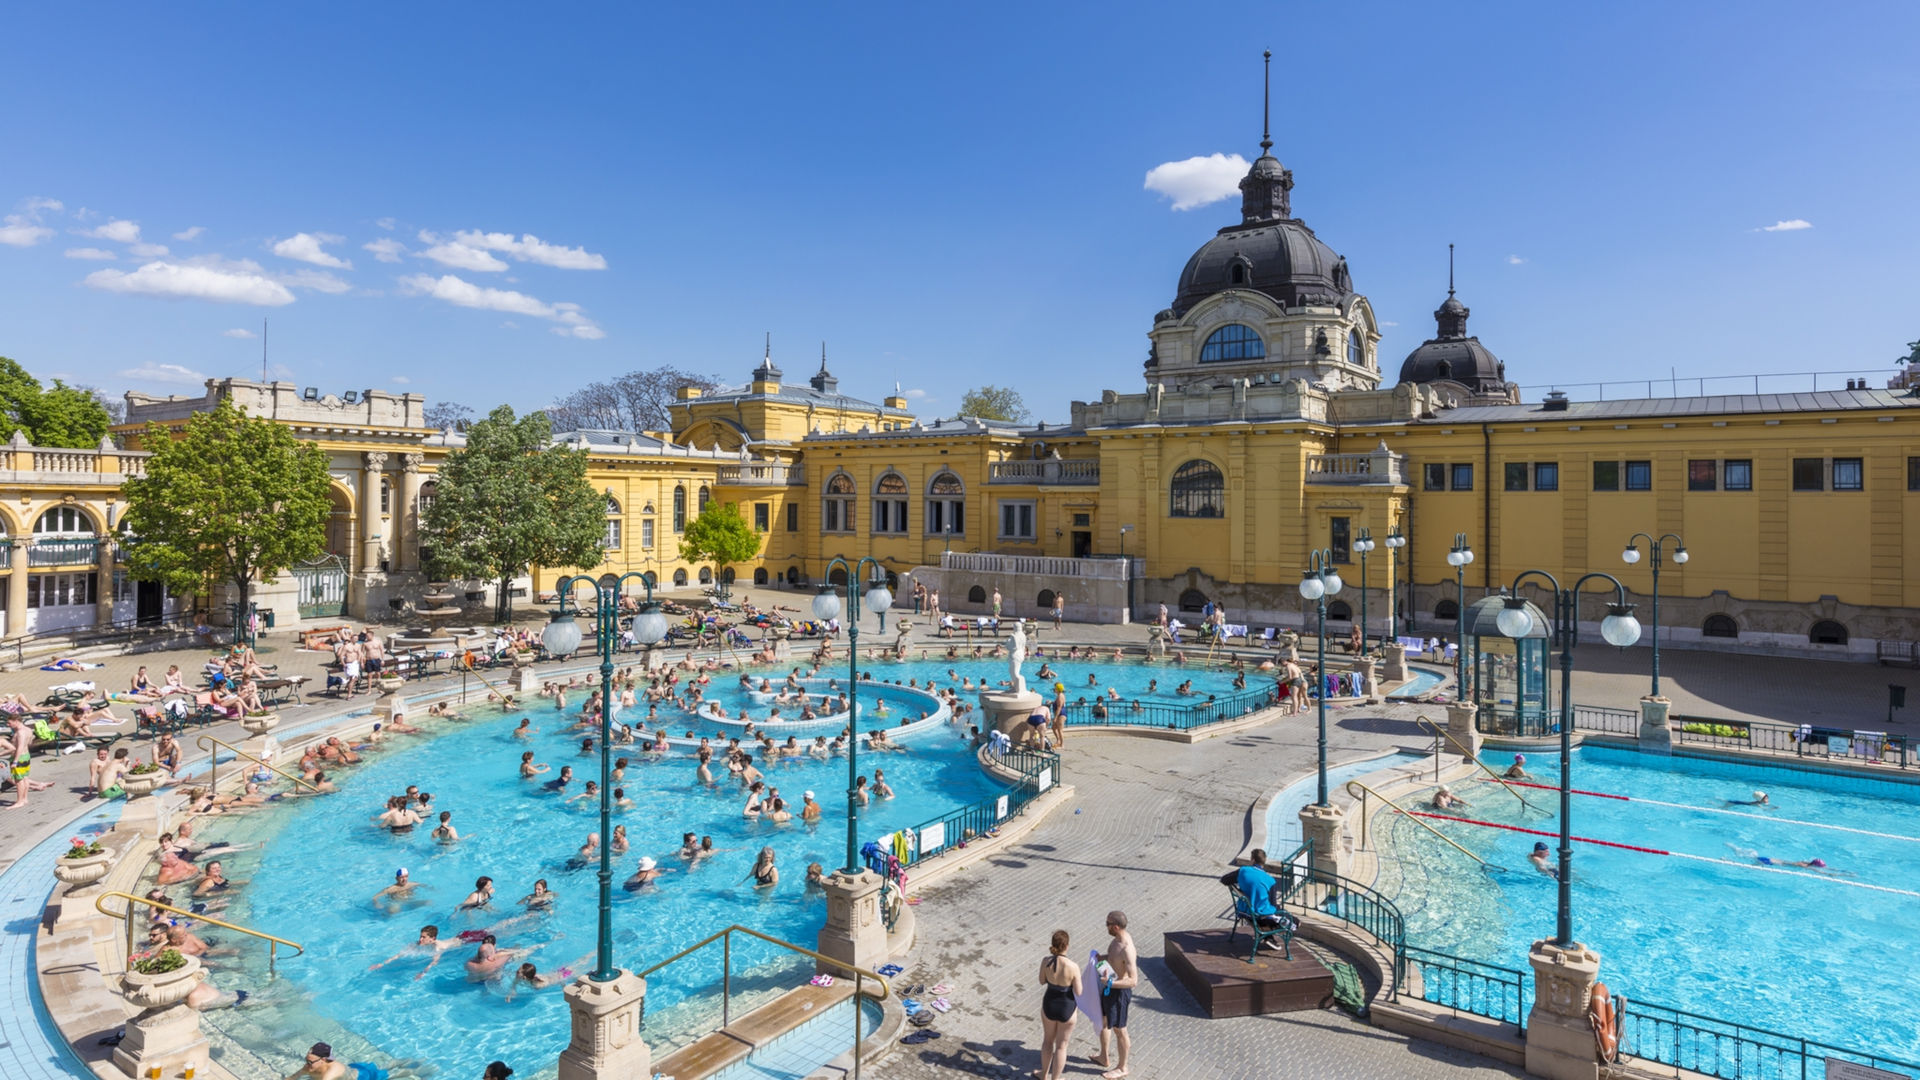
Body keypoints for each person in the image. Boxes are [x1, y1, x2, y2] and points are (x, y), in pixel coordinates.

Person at [1093, 910, 1137, 1079]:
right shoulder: (1116, 941)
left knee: (1120, 1030)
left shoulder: (1127, 948)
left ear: (1116, 927)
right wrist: (1100, 958)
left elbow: (1133, 981)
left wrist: (1111, 983)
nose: (1106, 926)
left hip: (1119, 994)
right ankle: (1104, 1057)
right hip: (1109, 988)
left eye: (1108, 924)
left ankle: (1123, 1067)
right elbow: (1113, 959)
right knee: (1104, 1021)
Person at [1037, 928, 1083, 1080]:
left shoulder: (1046, 961)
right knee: (1062, 1046)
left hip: (1049, 1004)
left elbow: (1042, 981)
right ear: (1067, 946)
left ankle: (1043, 1074)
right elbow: (1079, 991)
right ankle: (1055, 1079)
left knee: (1047, 1042)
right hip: (1067, 1008)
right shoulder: (1073, 966)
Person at [1219, 849, 1289, 944]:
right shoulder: (1270, 880)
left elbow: (1224, 880)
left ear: (1252, 860)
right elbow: (1272, 904)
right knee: (1288, 917)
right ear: (1264, 861)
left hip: (1244, 910)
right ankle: (1268, 935)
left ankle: (1267, 936)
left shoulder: (1243, 871)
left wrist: (1241, 887)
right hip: (1259, 915)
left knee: (1267, 911)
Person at [6, 715, 55, 809]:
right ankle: (24, 799)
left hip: (19, 758)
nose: (8, 725)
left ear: (16, 721)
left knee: (19, 781)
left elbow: (19, 747)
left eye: (9, 723)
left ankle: (19, 801)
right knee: (25, 778)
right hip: (26, 756)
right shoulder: (28, 730)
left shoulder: (20, 732)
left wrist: (15, 761)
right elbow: (29, 743)